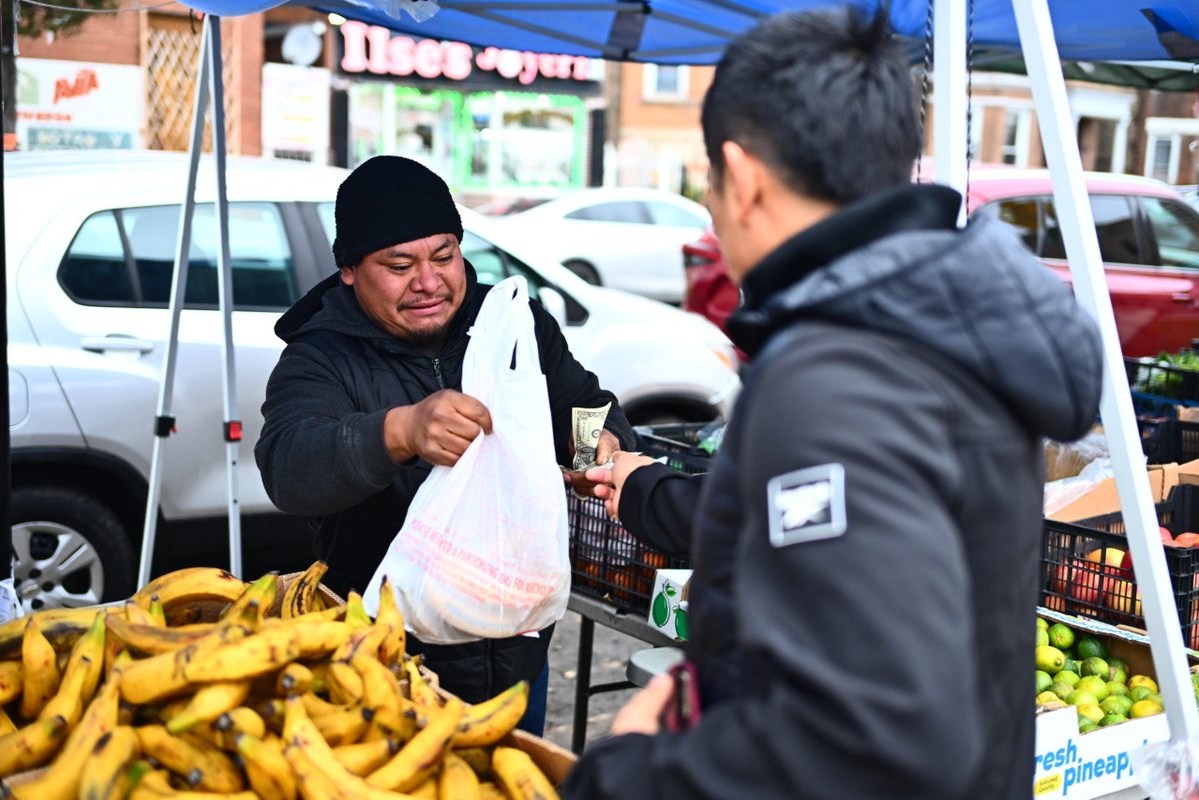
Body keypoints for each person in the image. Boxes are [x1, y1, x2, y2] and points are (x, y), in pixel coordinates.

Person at [564, 8, 1102, 799]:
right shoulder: (936, 331)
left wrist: (629, 772)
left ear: (742, 178)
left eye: (707, 181)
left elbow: (871, 737)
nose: (710, 210)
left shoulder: (837, 377)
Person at [254, 155, 636, 734]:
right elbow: (289, 467)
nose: (429, 282)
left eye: (444, 256)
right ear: (351, 271)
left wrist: (594, 450)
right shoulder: (320, 356)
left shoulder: (513, 327)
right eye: (399, 264)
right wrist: (398, 433)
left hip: (516, 665)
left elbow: (584, 407)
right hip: (382, 677)